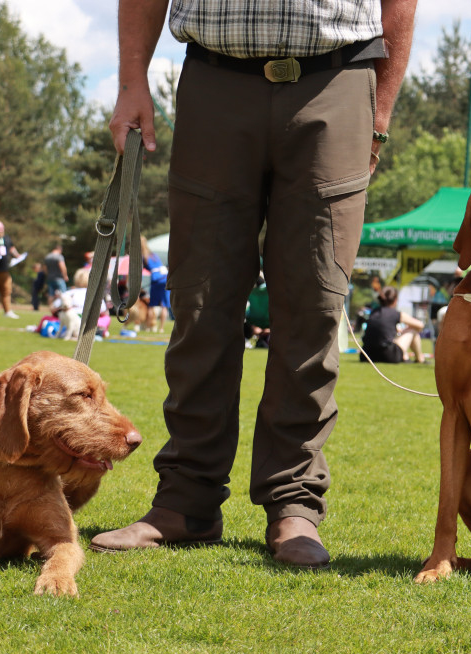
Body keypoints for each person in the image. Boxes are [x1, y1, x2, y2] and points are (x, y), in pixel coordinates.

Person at [90, 0, 417, 568]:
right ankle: (185, 501)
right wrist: (131, 81)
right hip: (214, 83)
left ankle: (294, 505)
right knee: (199, 303)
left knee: (314, 306)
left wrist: (379, 110)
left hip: (337, 81)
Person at [361, 285, 425, 363]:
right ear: (395, 300)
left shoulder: (374, 312)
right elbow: (420, 325)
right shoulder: (396, 314)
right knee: (413, 330)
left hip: (366, 354)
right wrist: (404, 331)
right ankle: (420, 359)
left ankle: (405, 356)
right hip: (388, 355)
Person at [141, 235, 169, 332]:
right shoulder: (153, 255)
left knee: (152, 304)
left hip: (156, 279)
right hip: (165, 277)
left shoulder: (142, 256)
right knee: (164, 305)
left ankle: (149, 326)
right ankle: (161, 328)